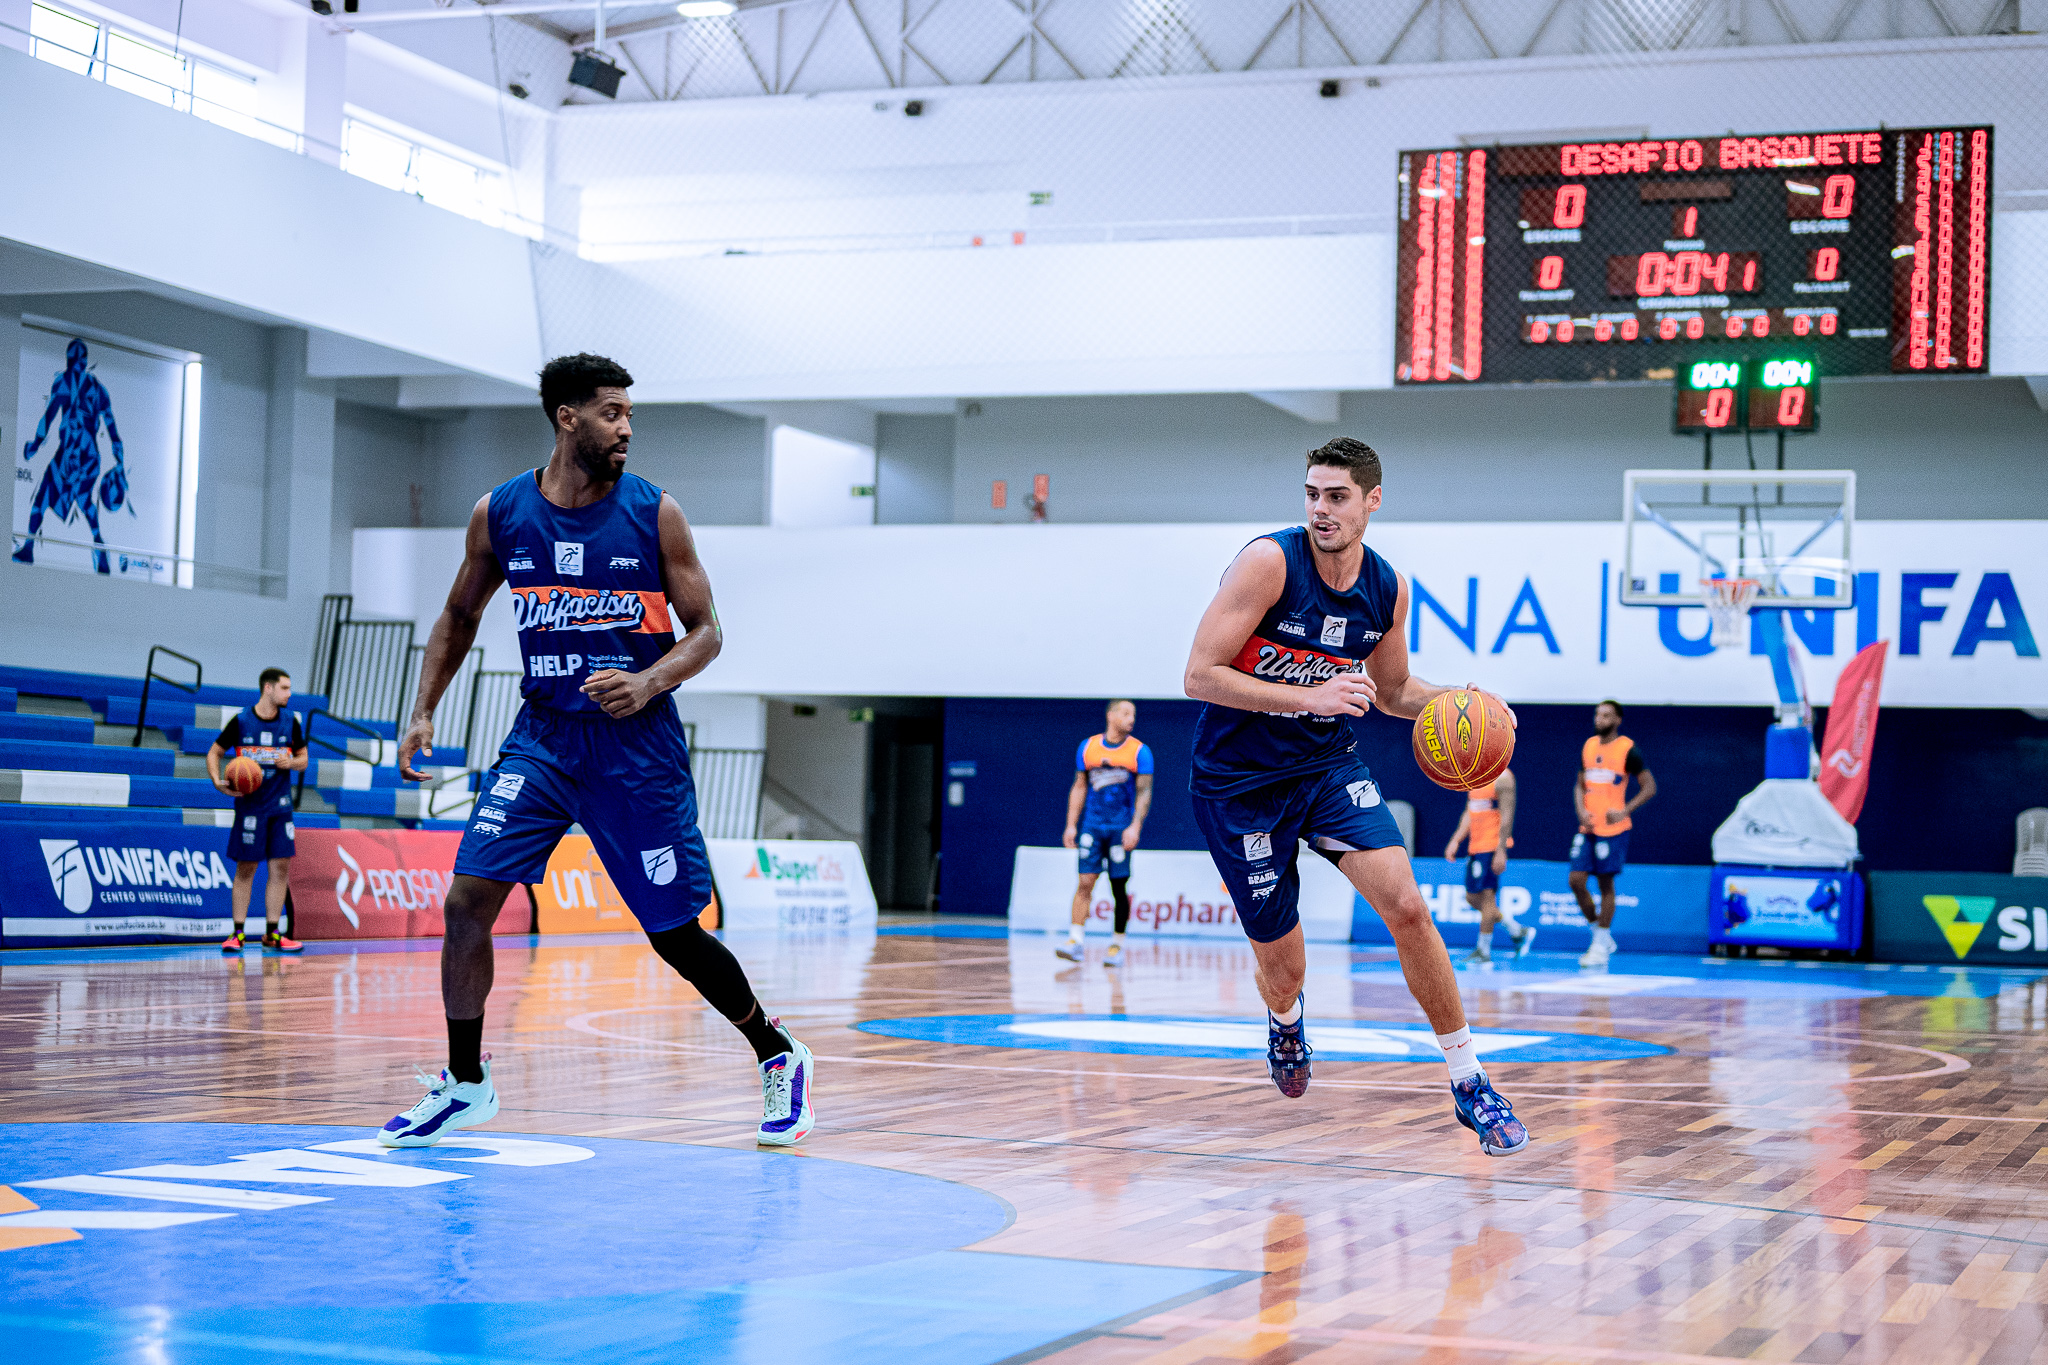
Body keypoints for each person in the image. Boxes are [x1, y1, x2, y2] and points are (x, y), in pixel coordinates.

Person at [377, 353, 815, 1149]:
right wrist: (421, 709)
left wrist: (649, 682)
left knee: (673, 933)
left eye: (630, 415)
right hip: (543, 740)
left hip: (635, 749)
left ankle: (778, 1053)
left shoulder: (656, 514)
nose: (626, 429)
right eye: (613, 413)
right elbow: (459, 614)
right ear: (566, 417)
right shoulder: (500, 513)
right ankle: (467, 1082)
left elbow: (708, 631)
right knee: (466, 901)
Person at [1182, 437, 1529, 1157]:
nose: (1319, 509)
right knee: (1287, 969)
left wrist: (1465, 696)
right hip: (1239, 781)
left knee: (1407, 904)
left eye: (1336, 496)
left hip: (1326, 765)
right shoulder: (1269, 562)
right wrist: (1309, 692)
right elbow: (1200, 674)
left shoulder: (1388, 586)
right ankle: (1285, 1021)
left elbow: (1397, 690)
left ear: (1372, 500)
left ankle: (1469, 1080)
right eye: (1311, 493)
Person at [207, 667, 307, 954]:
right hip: (250, 809)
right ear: (268, 688)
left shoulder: (291, 722)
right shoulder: (241, 721)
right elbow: (214, 752)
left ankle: (272, 933)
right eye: (285, 688)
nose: (289, 693)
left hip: (280, 808)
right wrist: (217, 781)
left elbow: (304, 758)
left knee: (280, 868)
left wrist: (292, 763)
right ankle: (237, 933)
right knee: (246, 869)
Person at [1057, 700, 1153, 966]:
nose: (1130, 718)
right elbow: (1079, 787)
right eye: (1125, 713)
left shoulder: (1139, 752)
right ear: (1110, 716)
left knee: (1118, 886)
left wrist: (1135, 826)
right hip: (1092, 826)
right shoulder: (1088, 747)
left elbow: (1144, 792)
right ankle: (1075, 940)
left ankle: (1117, 945)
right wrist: (1071, 824)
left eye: (1133, 714)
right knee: (1085, 881)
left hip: (1120, 828)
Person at [1571, 699, 1657, 968]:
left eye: (1606, 715)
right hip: (1589, 826)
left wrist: (1626, 810)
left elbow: (1649, 786)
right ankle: (1600, 933)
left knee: (1605, 884)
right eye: (1598, 714)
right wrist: (1580, 810)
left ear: (1617, 720)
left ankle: (1599, 943)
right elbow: (1579, 785)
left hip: (1613, 829)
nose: (1599, 719)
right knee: (1576, 880)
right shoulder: (1588, 745)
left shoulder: (1627, 749)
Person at [1444, 769, 1532, 965]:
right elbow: (1470, 810)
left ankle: (1483, 951)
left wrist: (1501, 850)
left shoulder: (1503, 777)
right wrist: (1456, 840)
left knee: (1487, 899)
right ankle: (1517, 931)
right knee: (1472, 898)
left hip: (1492, 846)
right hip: (1476, 846)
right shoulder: (1473, 775)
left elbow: (1508, 815)